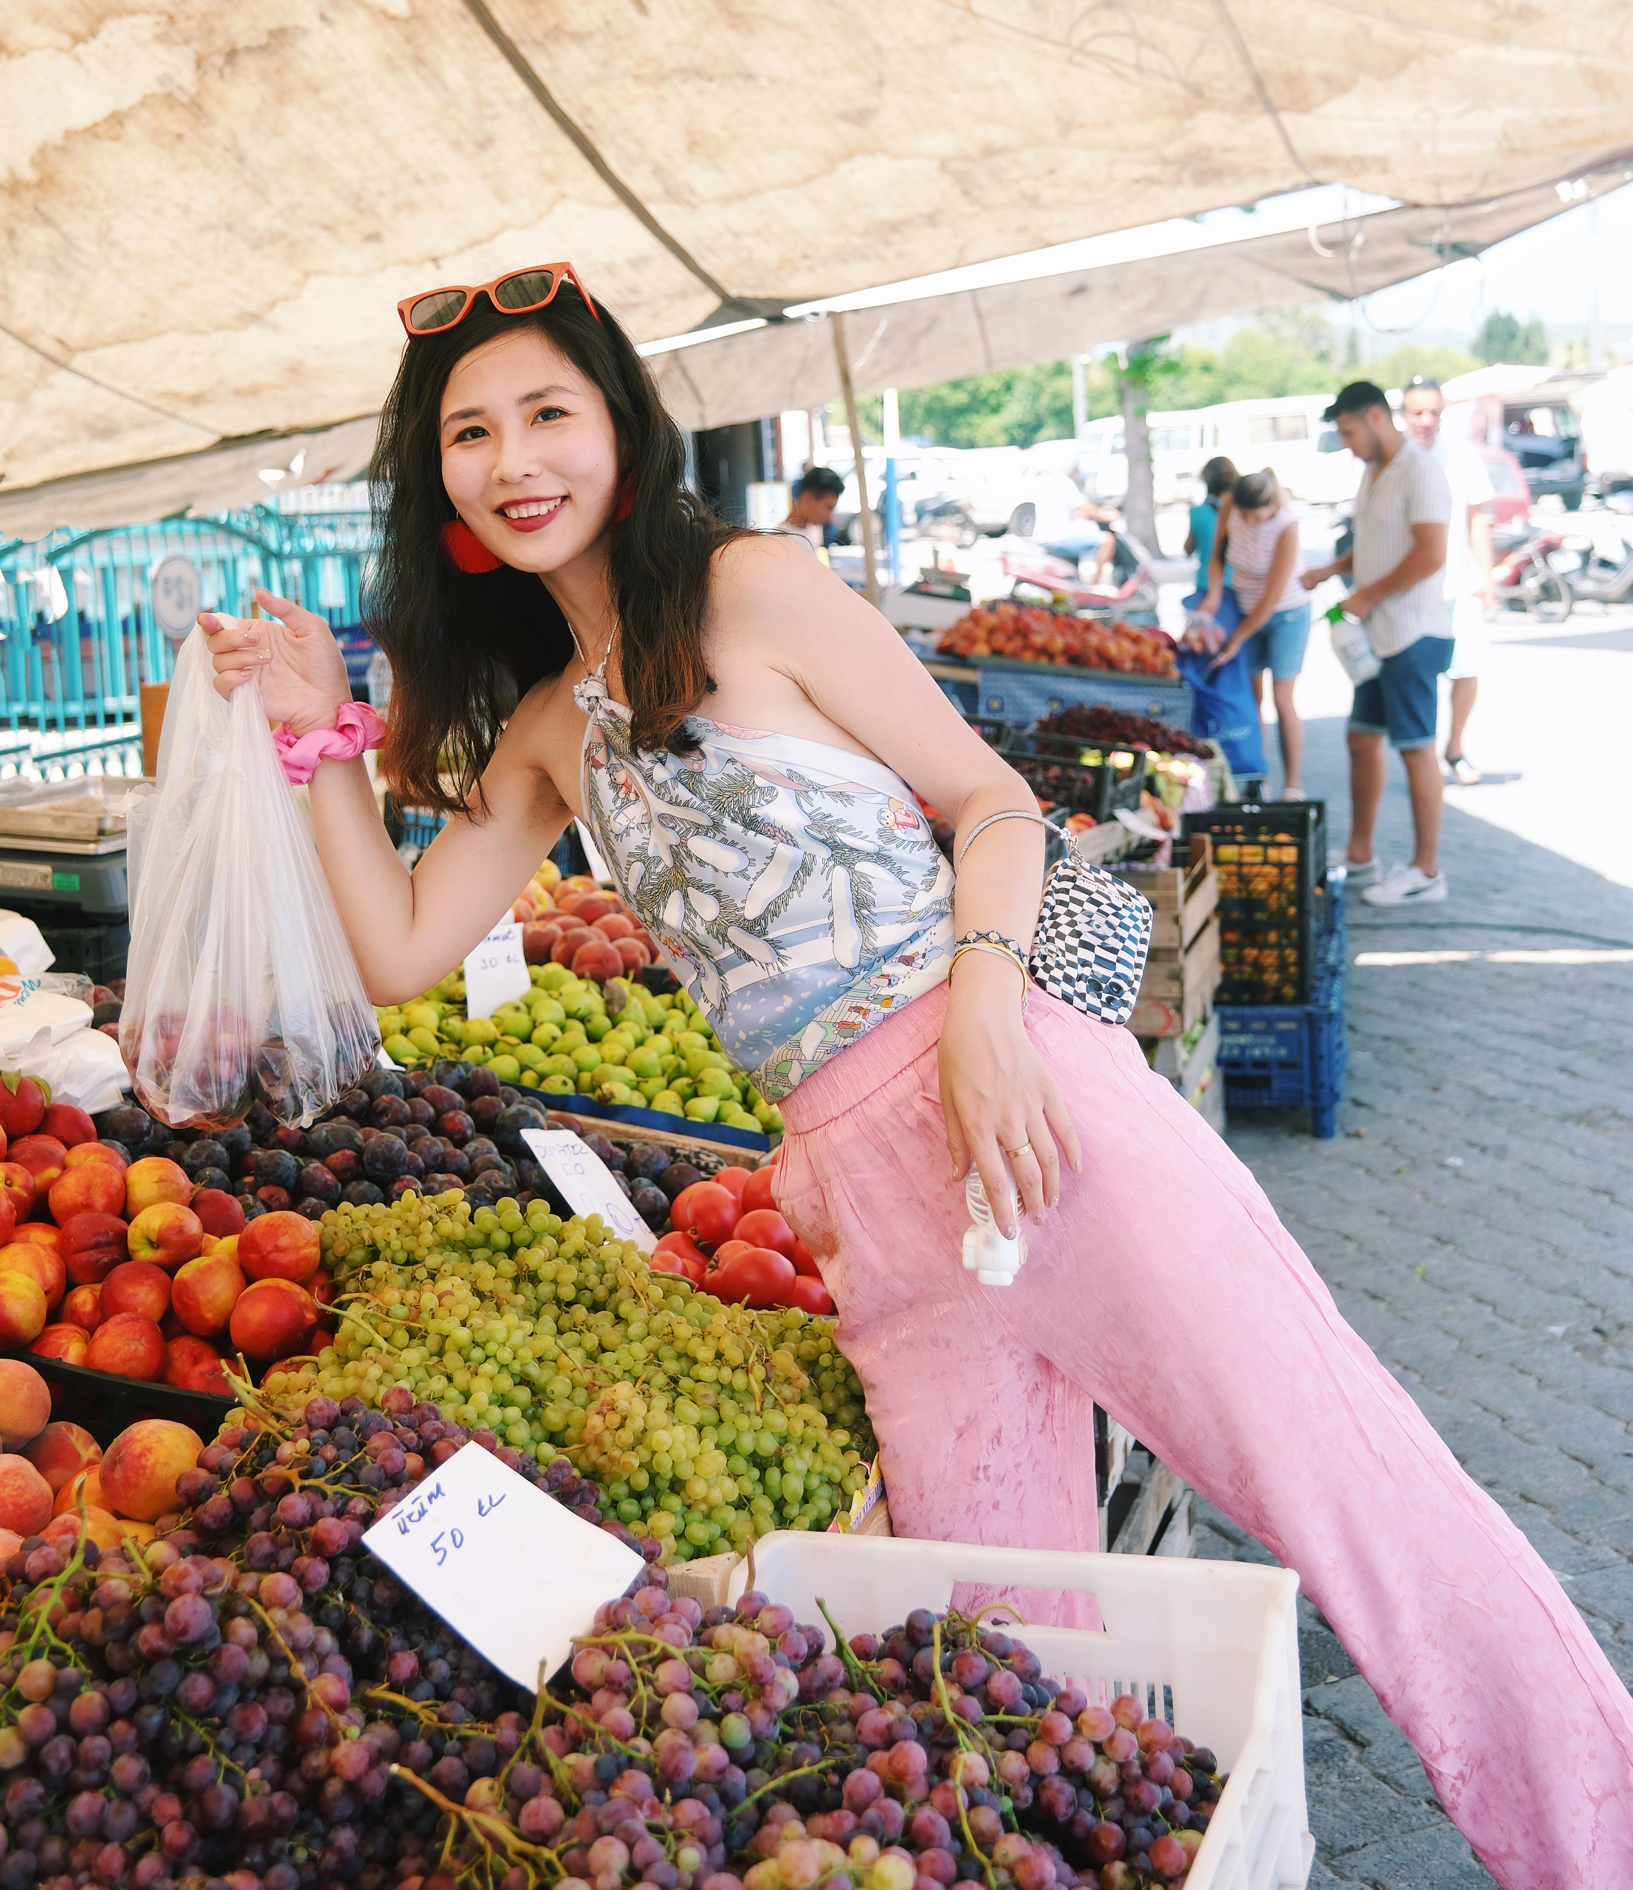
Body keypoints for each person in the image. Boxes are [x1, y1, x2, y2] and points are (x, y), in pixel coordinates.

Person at [201, 272, 1633, 1888]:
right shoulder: (548, 725)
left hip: (1033, 1115)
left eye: (547, 413)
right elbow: (397, 947)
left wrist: (980, 1003)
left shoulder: (753, 586)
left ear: (618, 427)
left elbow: (987, 802)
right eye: (470, 433)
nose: (513, 458)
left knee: (1364, 1504)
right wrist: (314, 738)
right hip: (865, 1216)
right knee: (992, 1660)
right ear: (439, 481)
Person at [1302, 380, 1453, 905]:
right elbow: (1378, 545)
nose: (1345, 442)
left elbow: (1430, 554)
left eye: (1347, 431)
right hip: (1378, 636)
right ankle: (1362, 857)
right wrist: (1332, 570)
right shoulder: (1373, 472)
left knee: (1416, 750)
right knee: (1362, 738)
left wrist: (1366, 595)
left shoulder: (1421, 469)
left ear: (1372, 416)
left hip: (1414, 632)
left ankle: (1426, 871)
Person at [1400, 376, 1497, 784]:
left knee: (1467, 670)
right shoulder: (1394, 459)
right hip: (1409, 592)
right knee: (1417, 679)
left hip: (1457, 584)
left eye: (1434, 412)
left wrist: (1487, 576)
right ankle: (1422, 755)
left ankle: (1454, 748)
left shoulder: (1460, 454)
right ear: (1402, 415)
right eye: (1417, 412)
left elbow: (1477, 519)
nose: (1426, 420)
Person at [1199, 466, 1310, 798]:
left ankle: (1293, 783)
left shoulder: (1286, 527)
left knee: (1282, 698)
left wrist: (1236, 640)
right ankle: (1257, 774)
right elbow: (1217, 557)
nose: (1248, 522)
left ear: (1272, 504)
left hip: (1285, 615)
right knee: (1252, 698)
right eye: (1243, 515)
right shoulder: (1231, 506)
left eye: (1255, 516)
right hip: (1245, 611)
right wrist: (1214, 596)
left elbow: (1272, 595)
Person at [1184, 454, 1238, 592]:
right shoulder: (1243, 511)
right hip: (1238, 583)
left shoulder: (1197, 512)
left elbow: (1188, 549)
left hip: (1206, 584)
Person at [778, 464, 845, 549]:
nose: (830, 517)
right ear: (808, 498)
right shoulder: (784, 541)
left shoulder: (800, 536)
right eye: (828, 507)